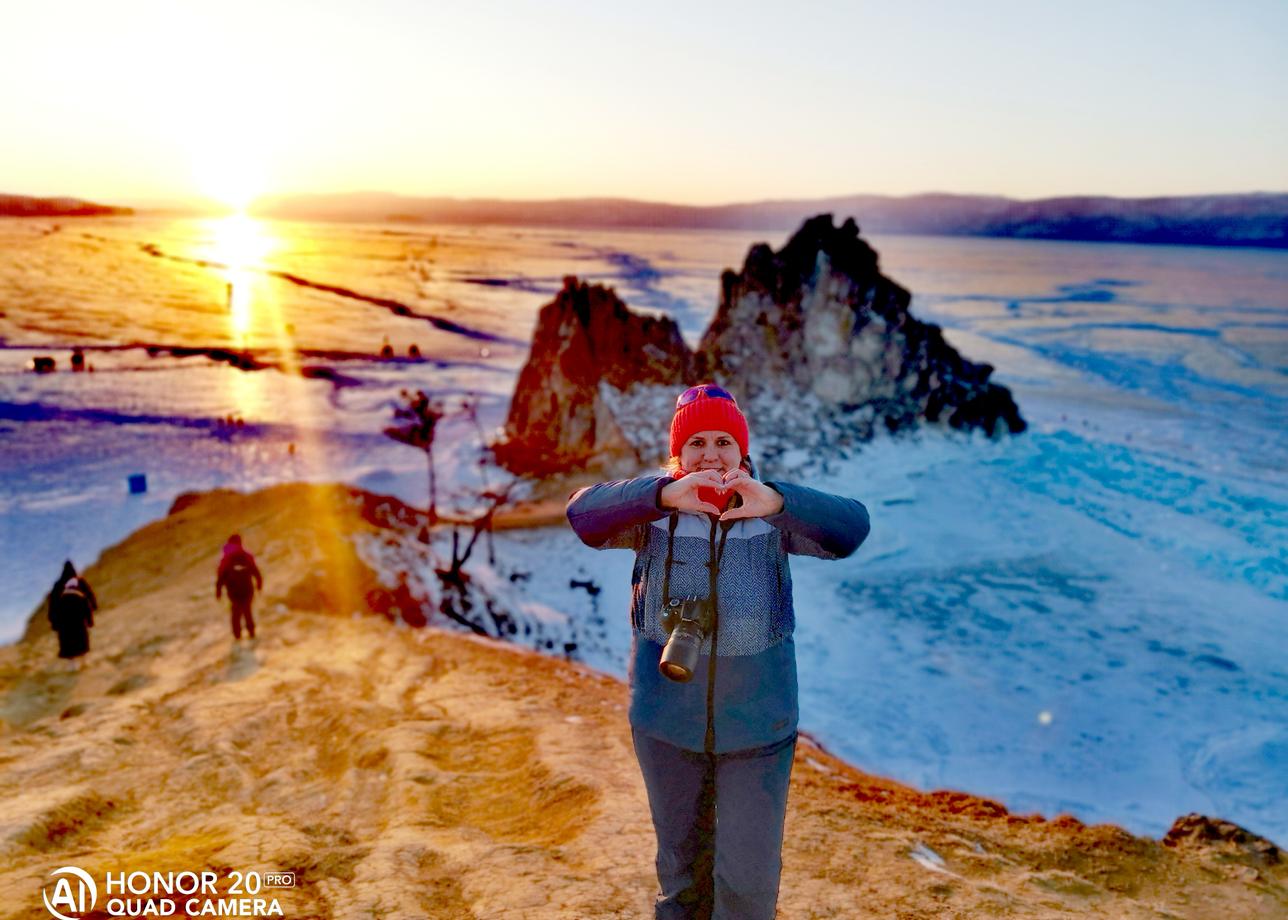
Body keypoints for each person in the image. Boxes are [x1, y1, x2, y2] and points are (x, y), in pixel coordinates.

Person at [566, 383, 870, 919]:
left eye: (724, 442)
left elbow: (852, 528)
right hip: (665, 726)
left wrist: (776, 500)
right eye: (697, 443)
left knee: (746, 891)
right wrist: (660, 495)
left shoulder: (769, 514)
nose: (711, 455)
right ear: (678, 455)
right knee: (680, 883)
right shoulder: (652, 515)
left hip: (757, 729)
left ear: (742, 452)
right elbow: (582, 515)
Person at [47, 560, 97, 666]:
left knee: (67, 641)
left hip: (63, 619)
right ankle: (84, 661)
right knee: (81, 637)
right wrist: (91, 612)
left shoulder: (58, 584)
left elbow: (53, 603)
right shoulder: (79, 581)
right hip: (78, 617)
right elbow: (89, 596)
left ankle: (72, 664)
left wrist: (53, 621)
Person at [216, 534, 263, 640]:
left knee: (236, 614)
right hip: (248, 590)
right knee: (247, 611)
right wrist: (259, 584)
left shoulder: (226, 558)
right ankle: (251, 633)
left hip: (234, 592)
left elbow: (221, 577)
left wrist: (218, 591)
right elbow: (256, 572)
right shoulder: (246, 556)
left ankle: (237, 636)